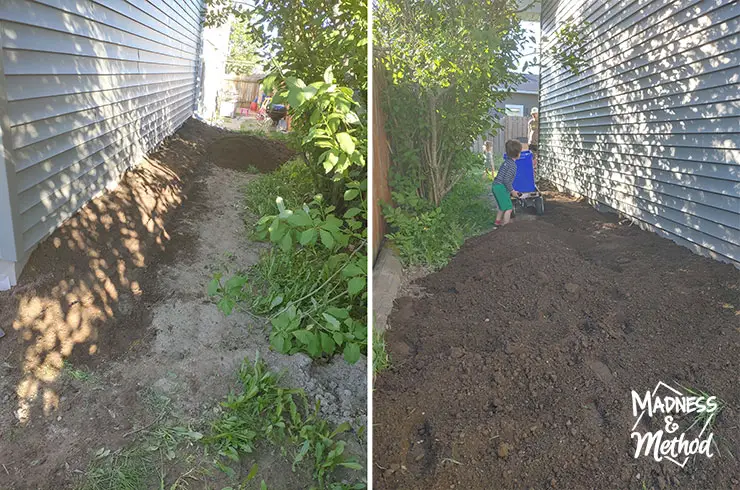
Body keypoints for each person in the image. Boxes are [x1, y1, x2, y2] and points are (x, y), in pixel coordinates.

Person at [492, 139, 523, 228]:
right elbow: (506, 180)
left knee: (502, 207)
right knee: (508, 208)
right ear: (517, 154)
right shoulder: (513, 165)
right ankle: (506, 228)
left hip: (496, 186)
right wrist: (512, 191)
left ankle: (496, 224)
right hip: (501, 187)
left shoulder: (506, 162)